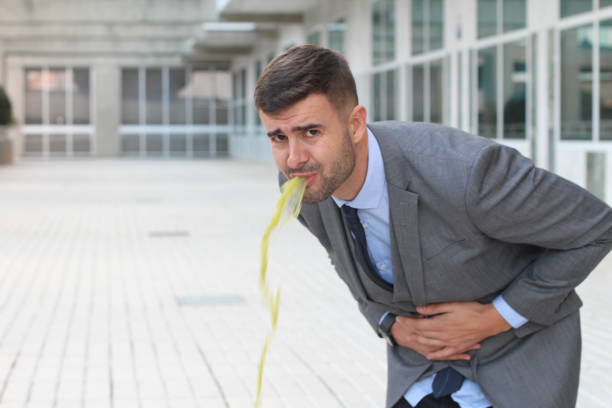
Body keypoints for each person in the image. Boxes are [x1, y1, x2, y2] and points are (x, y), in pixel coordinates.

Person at [253, 45, 612, 408]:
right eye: (278, 137)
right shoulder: (301, 187)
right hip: (420, 372)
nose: (294, 159)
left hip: (516, 366)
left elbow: (597, 228)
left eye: (311, 132)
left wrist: (496, 317)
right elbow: (339, 252)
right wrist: (387, 321)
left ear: (355, 124)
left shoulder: (468, 172)